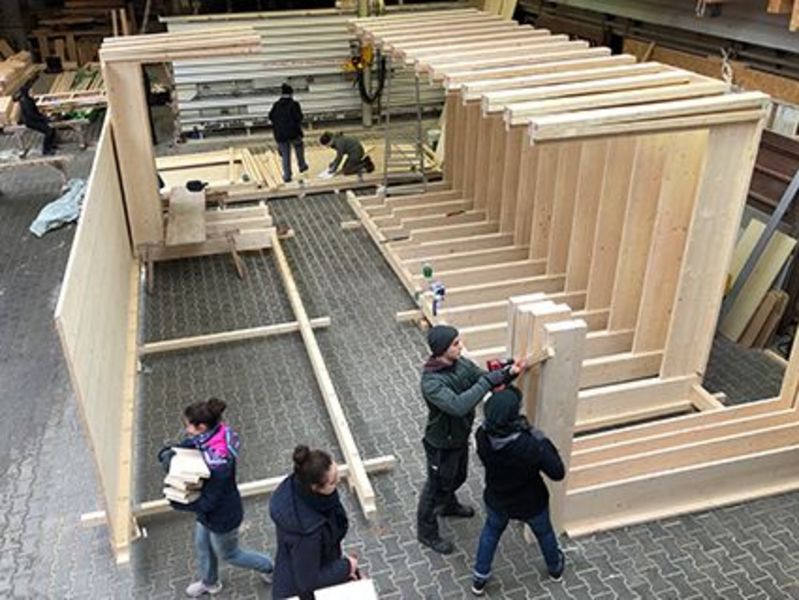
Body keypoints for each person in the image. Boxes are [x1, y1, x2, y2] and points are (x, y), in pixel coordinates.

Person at [416, 324, 525, 555]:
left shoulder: (460, 363)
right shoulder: (432, 382)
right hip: (440, 444)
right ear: (442, 349)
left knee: (459, 476)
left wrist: (506, 373)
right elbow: (458, 405)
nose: (460, 346)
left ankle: (448, 505)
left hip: (459, 436)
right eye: (455, 344)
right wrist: (487, 383)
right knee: (435, 487)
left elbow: (481, 377)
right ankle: (426, 531)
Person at [167, 398, 274, 597]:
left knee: (230, 554)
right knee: (203, 545)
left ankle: (269, 567)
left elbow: (208, 501)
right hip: (208, 513)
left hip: (223, 516)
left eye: (189, 425)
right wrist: (171, 453)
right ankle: (210, 582)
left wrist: (179, 502)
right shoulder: (212, 435)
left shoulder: (219, 463)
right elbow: (190, 445)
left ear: (201, 427)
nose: (187, 430)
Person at [471, 387, 565, 596]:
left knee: (491, 533)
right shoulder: (530, 445)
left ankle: (479, 578)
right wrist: (541, 439)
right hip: (530, 503)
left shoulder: (482, 436)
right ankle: (555, 568)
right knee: (545, 534)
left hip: (497, 499)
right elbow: (558, 472)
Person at [270, 445, 358, 599]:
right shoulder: (306, 533)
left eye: (336, 473)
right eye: (332, 482)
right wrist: (347, 566)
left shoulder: (299, 484)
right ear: (315, 487)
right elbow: (308, 581)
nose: (338, 480)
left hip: (304, 566)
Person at [268, 83, 308, 183]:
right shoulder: (294, 104)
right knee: (299, 146)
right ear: (291, 94)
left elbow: (271, 116)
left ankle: (287, 176)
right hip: (293, 133)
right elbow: (299, 118)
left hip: (280, 135)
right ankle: (302, 165)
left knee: (285, 155)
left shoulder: (276, 105)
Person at [13, 84, 56, 155]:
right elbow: (32, 115)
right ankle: (46, 150)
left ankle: (51, 145)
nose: (33, 93)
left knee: (52, 127)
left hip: (34, 118)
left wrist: (45, 117)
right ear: (27, 93)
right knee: (49, 131)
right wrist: (45, 119)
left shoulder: (29, 99)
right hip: (30, 121)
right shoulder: (26, 102)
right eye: (31, 92)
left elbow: (36, 112)